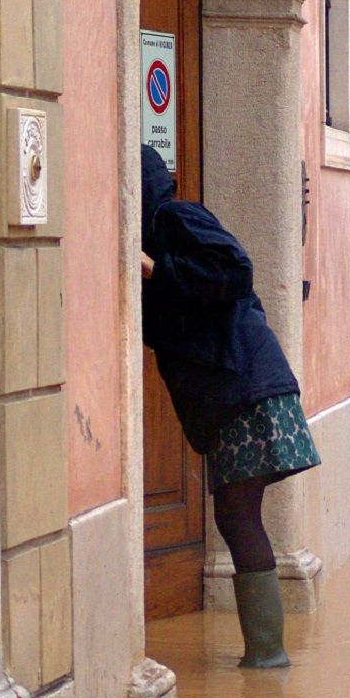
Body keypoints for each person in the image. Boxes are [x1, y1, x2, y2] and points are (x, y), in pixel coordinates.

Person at [139, 145, 319, 669]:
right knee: (239, 515)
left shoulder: (175, 216)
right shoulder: (154, 232)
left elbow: (236, 269)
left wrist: (155, 269)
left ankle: (268, 656)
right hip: (234, 392)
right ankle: (266, 656)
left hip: (244, 388)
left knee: (239, 516)